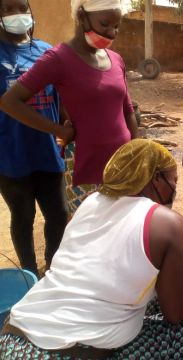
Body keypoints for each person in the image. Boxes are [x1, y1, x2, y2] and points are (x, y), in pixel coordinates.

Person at [0, 139, 183, 359]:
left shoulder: (90, 201)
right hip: (61, 353)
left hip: (13, 338)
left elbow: (107, 261)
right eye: (173, 181)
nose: (174, 190)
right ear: (156, 178)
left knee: (151, 302)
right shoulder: (168, 222)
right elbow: (178, 312)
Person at [0, 0, 138, 216]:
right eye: (105, 24)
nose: (112, 32)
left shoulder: (115, 59)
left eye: (117, 26)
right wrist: (58, 130)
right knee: (89, 236)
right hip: (86, 169)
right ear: (82, 16)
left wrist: (136, 152)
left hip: (122, 165)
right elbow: (10, 101)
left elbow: (127, 109)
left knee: (120, 235)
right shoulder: (58, 59)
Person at [0, 0, 68, 276]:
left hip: (48, 150)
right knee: (23, 216)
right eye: (7, 9)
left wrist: (68, 126)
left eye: (21, 8)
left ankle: (52, 268)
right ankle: (29, 275)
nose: (16, 14)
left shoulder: (46, 52)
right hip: (10, 153)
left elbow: (61, 98)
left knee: (59, 214)